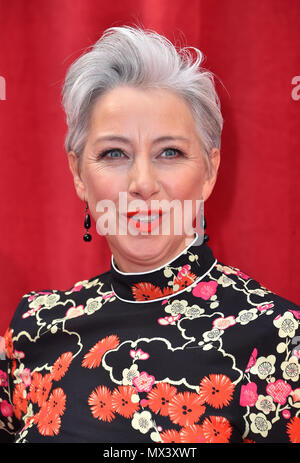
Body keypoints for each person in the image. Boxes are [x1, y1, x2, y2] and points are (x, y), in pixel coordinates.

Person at [0, 26, 299, 444]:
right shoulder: (35, 325)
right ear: (78, 174)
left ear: (210, 170)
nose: (142, 182)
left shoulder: (280, 337)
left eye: (169, 152)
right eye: (114, 153)